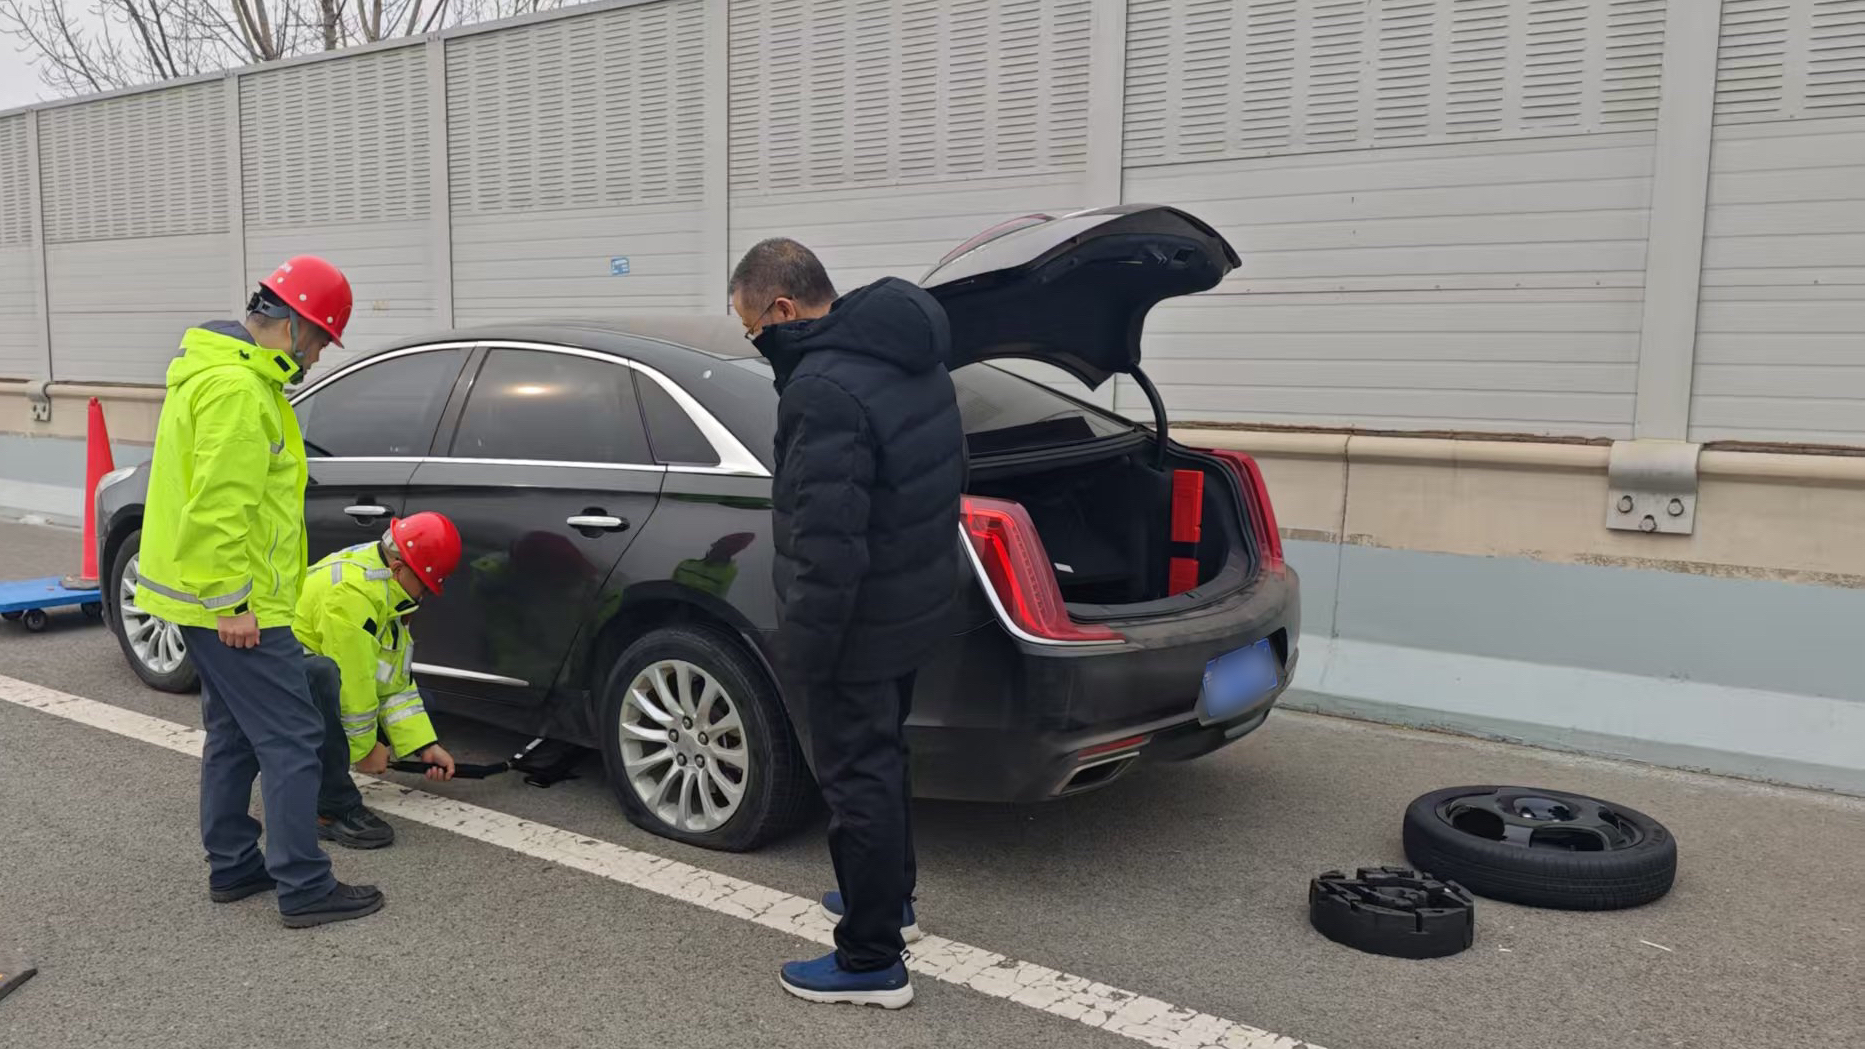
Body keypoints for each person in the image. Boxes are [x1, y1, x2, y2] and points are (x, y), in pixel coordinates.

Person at [730, 239, 965, 1009]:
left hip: (857, 627)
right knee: (883, 760)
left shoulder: (823, 389)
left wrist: (805, 651)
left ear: (781, 309)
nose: (755, 342)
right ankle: (889, 900)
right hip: (912, 607)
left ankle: (870, 959)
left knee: (856, 781)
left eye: (751, 328)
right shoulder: (912, 355)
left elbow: (825, 544)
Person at [135, 255, 385, 928]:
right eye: (322, 340)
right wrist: (232, 604)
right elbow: (220, 507)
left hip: (215, 598)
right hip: (237, 604)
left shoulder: (224, 376)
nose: (319, 356)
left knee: (234, 735)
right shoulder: (241, 390)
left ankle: (233, 864)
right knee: (294, 736)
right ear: (296, 325)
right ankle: (303, 884)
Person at [296, 512, 464, 850]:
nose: (424, 596)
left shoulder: (387, 586)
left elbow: (391, 678)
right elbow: (351, 686)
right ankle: (328, 808)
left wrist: (423, 745)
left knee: (427, 706)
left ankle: (330, 770)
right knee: (323, 680)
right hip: (287, 684)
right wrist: (365, 750)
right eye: (424, 585)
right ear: (400, 568)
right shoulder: (352, 595)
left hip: (317, 677)